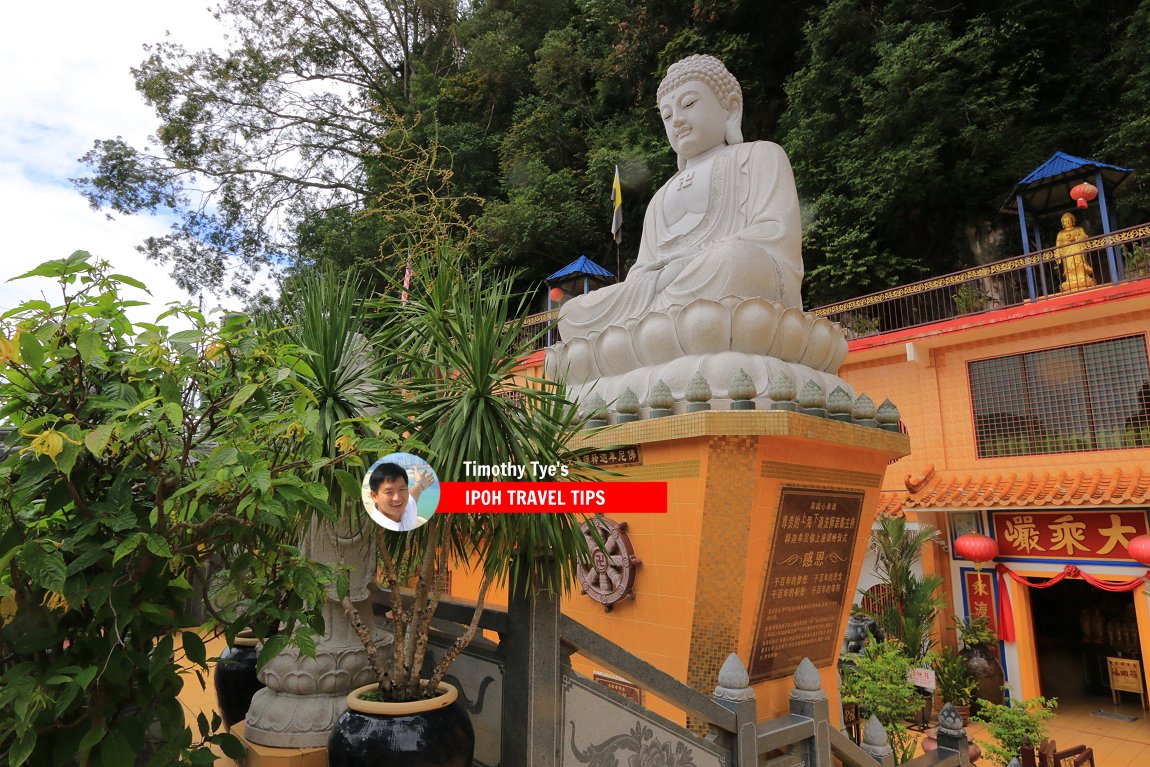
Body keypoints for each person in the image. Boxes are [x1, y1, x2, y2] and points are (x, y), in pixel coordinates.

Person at [557, 54, 803, 342]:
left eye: (688, 104)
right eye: (667, 115)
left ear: (730, 109)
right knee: (572, 313)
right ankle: (663, 330)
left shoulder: (759, 156)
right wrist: (659, 277)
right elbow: (641, 271)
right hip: (665, 292)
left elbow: (776, 235)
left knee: (734, 261)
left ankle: (653, 335)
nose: (678, 121)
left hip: (720, 277)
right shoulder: (660, 197)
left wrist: (694, 260)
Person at [366, 462, 433, 532]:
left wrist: (420, 483)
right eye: (389, 492)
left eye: (401, 489)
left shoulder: (406, 508)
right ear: (374, 496)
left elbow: (412, 496)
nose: (397, 498)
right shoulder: (375, 530)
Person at [1055, 211, 1096, 292]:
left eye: (1069, 220)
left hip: (1078, 249)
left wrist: (1076, 238)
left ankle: (1083, 277)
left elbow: (1084, 237)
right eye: (1065, 221)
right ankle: (1070, 280)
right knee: (1069, 267)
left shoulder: (1079, 229)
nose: (1067, 222)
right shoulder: (1061, 233)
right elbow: (1058, 244)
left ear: (1073, 220)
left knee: (1080, 263)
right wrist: (1058, 252)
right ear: (1062, 223)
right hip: (1067, 252)